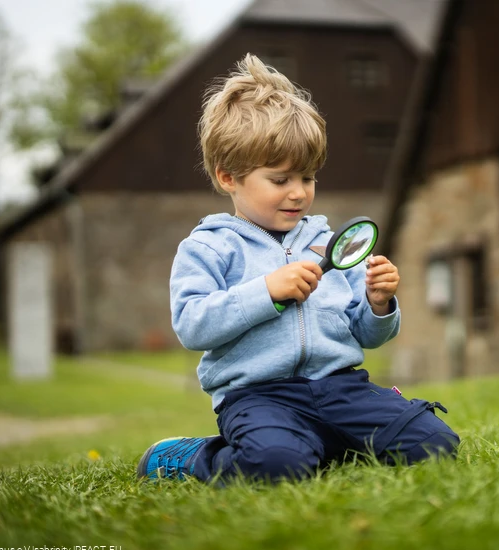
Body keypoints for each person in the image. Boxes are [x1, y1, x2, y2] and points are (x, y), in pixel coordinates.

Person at [137, 54, 459, 484]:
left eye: (307, 178)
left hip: (341, 387)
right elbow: (193, 326)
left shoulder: (326, 243)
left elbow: (366, 335)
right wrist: (266, 291)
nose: (298, 193)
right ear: (229, 177)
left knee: (434, 445)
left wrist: (379, 304)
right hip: (258, 396)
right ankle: (193, 457)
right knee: (276, 466)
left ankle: (322, 442)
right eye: (280, 180)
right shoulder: (207, 247)